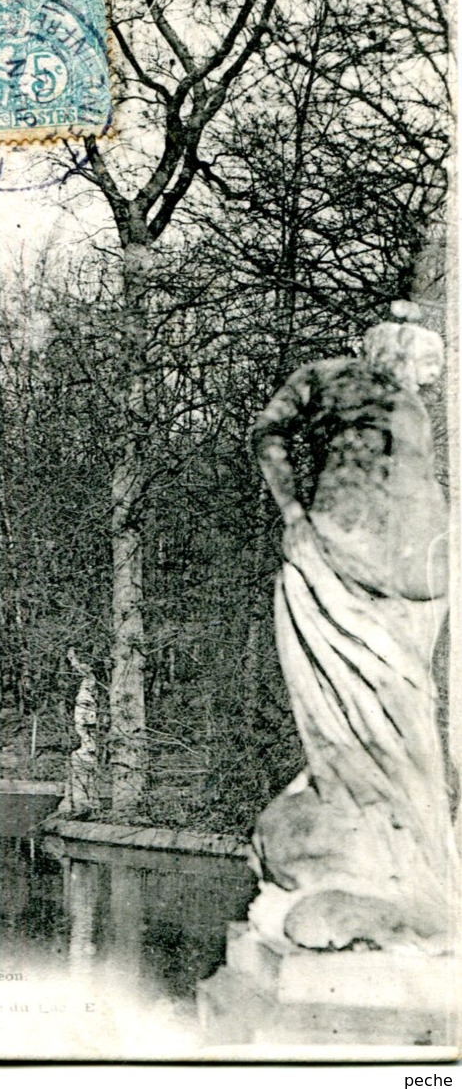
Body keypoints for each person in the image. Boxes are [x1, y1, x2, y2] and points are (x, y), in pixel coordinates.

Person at [249, 303, 457, 952]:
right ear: (389, 345)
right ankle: (376, 850)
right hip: (340, 553)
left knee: (407, 708)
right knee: (357, 714)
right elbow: (269, 432)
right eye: (422, 363)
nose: (424, 381)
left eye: (432, 373)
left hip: (409, 570)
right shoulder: (330, 377)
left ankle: (405, 861)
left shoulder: (415, 409)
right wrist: (293, 513)